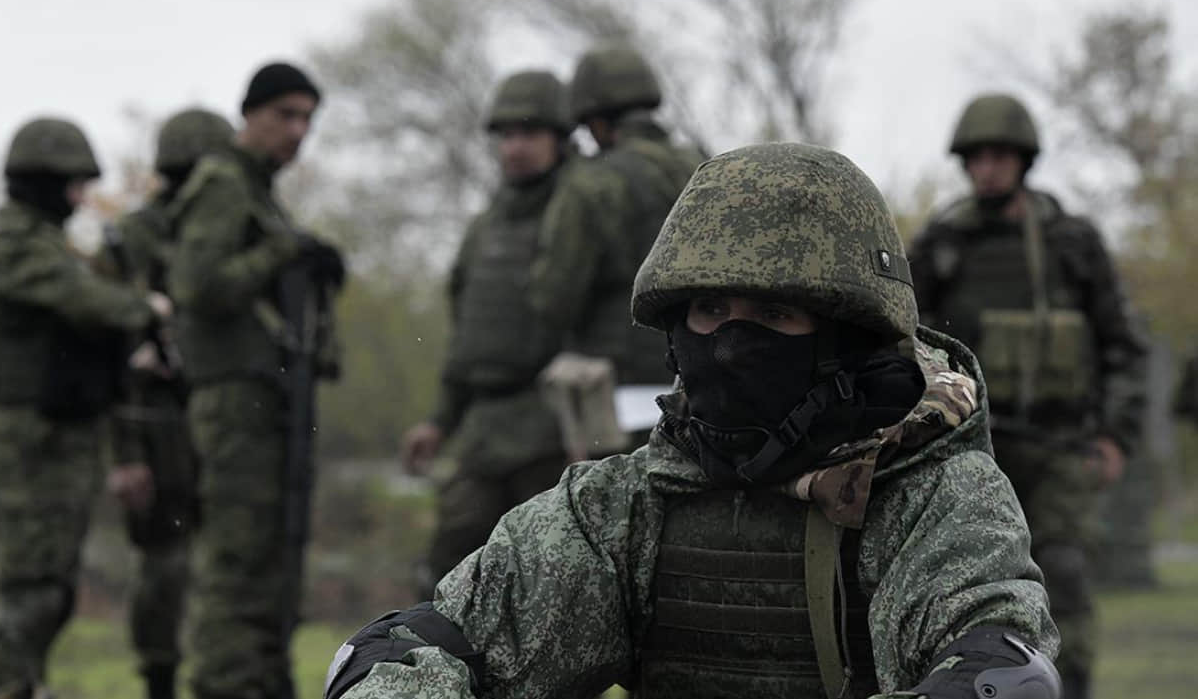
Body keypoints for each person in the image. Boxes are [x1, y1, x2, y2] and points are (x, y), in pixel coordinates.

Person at [324, 143, 1060, 699]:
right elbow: (425, 645)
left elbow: (997, 668)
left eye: (774, 313)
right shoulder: (623, 508)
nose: (732, 346)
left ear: (849, 338)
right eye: (709, 310)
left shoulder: (938, 497)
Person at [908, 93, 1148, 699]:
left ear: (1023, 161)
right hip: (973, 447)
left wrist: (1115, 436)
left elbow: (1123, 344)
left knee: (1063, 574)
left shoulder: (1072, 242)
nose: (987, 169)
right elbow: (905, 341)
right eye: (977, 158)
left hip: (1062, 444)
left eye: (1000, 156)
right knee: (966, 583)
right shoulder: (942, 244)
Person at [0, 117, 170, 699]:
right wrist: (146, 307)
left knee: (54, 586)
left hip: (60, 436)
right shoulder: (16, 249)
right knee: (31, 589)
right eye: (72, 185)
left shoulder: (47, 247)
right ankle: (11, 687)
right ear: (40, 182)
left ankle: (27, 685)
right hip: (31, 440)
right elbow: (89, 301)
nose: (79, 199)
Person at [168, 62, 343, 699]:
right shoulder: (223, 182)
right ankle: (226, 683)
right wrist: (284, 250)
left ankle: (261, 680)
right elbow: (198, 285)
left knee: (273, 557)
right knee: (238, 560)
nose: (297, 131)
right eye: (285, 115)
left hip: (268, 398)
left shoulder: (258, 191)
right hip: (235, 397)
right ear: (250, 114)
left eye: (307, 120)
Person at [399, 70, 577, 596]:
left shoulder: (576, 214)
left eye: (530, 133)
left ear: (559, 138)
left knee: (549, 583)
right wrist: (440, 420)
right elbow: (469, 336)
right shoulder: (486, 228)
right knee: (447, 576)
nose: (515, 147)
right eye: (507, 135)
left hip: (552, 427)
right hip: (484, 428)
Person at [97, 108, 235, 699]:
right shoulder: (134, 238)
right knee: (164, 565)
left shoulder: (229, 227)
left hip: (225, 415)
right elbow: (108, 348)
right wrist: (126, 450)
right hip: (156, 422)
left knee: (229, 564)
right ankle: (159, 678)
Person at [531, 45, 703, 454]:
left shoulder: (592, 182)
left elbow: (554, 298)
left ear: (594, 121)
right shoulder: (704, 167)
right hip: (703, 382)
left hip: (616, 394)